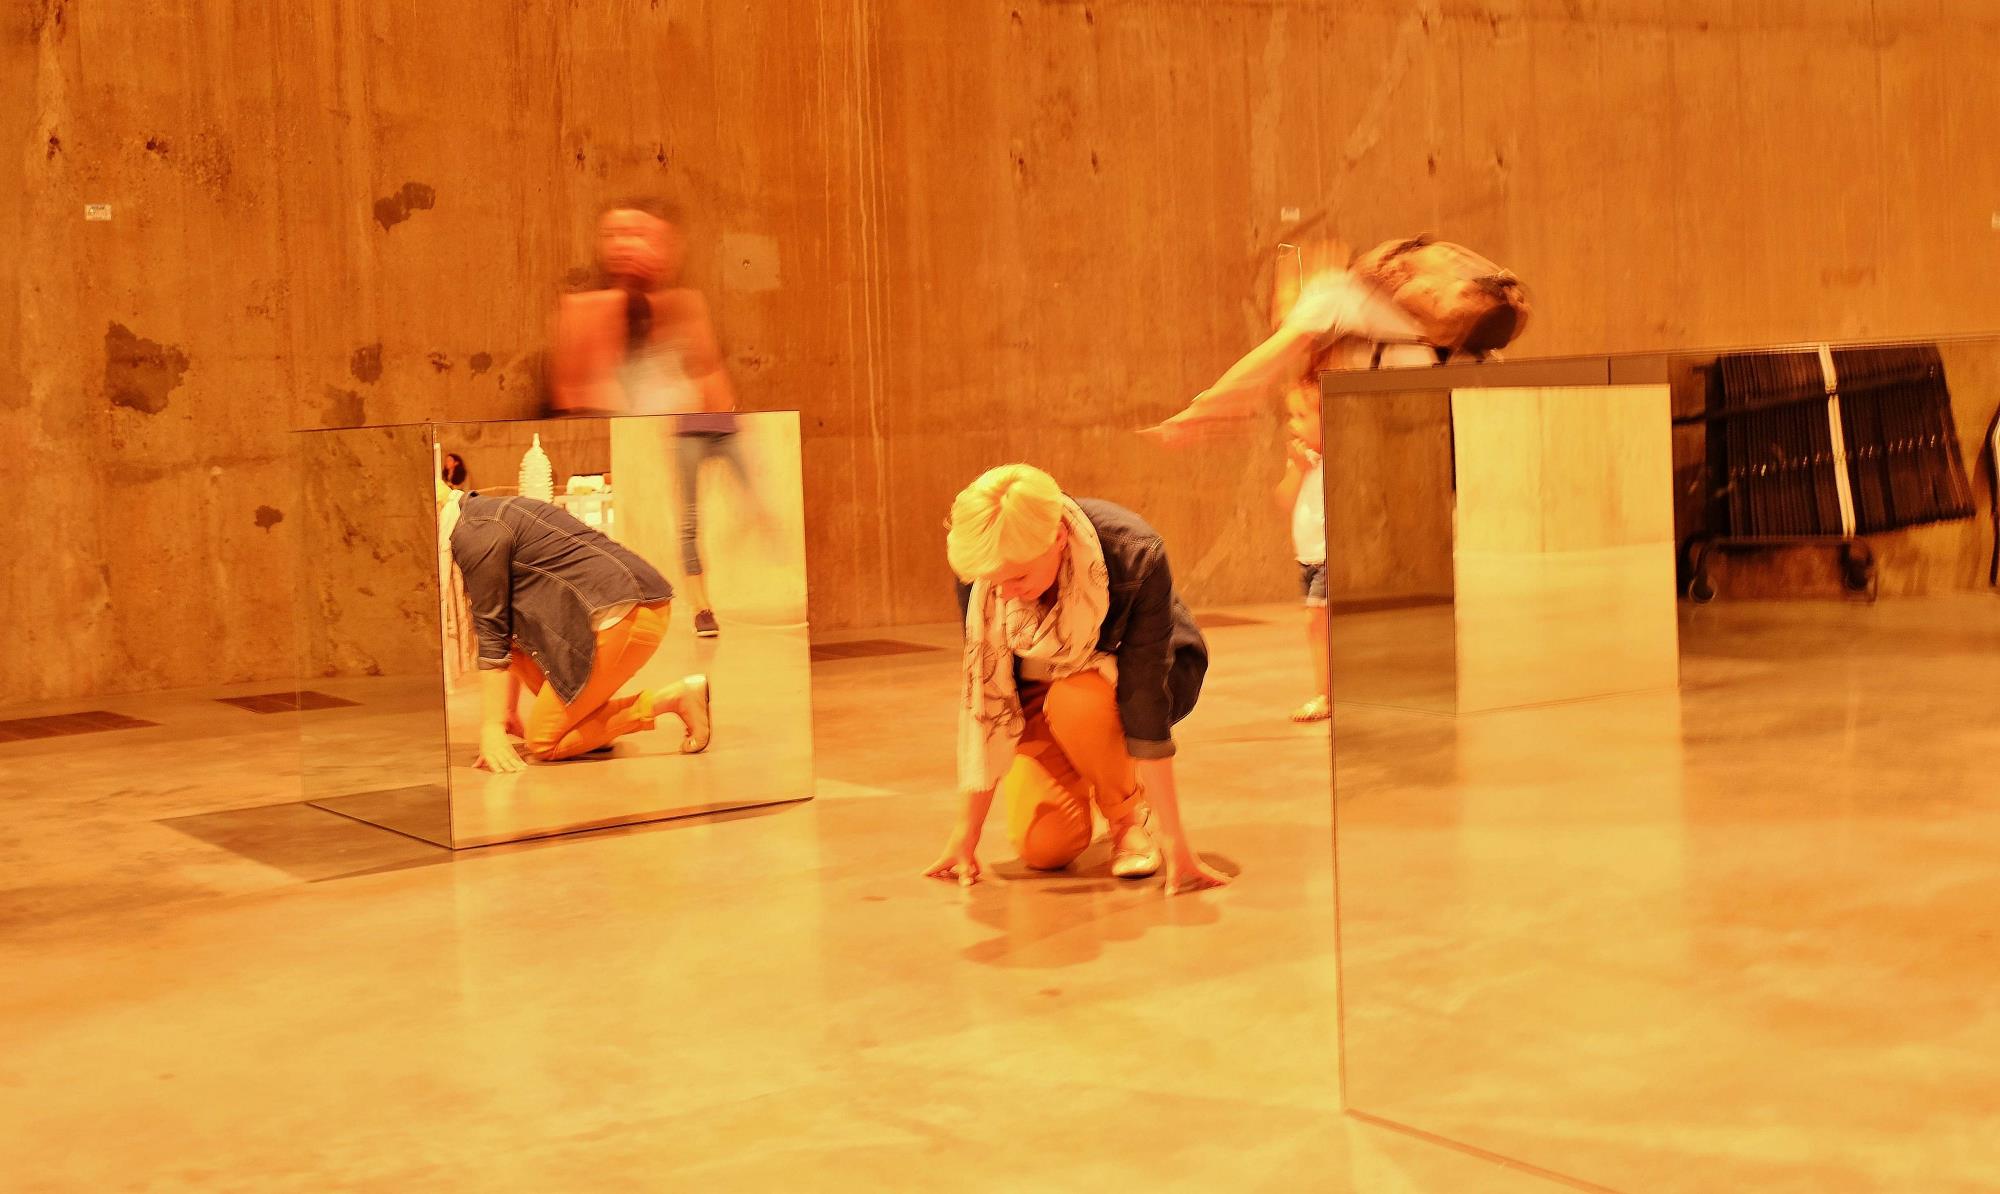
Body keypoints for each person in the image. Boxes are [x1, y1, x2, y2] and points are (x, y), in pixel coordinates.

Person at [925, 464, 1231, 895]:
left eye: (1018, 578)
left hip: (1131, 682)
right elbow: (989, 697)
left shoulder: (1134, 553)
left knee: (1077, 701)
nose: (1003, 591)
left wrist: (1176, 840)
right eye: (994, 581)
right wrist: (965, 835)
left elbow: (1144, 696)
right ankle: (1091, 763)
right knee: (1044, 849)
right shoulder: (986, 570)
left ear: (1059, 539)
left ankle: (1126, 818)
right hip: (1037, 691)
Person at [550, 197, 754, 638]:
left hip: (682, 438)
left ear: (667, 247)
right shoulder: (584, 312)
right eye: (614, 235)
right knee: (678, 528)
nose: (625, 246)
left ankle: (699, 607)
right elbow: (572, 398)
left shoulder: (686, 310)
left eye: (639, 235)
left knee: (705, 520)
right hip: (623, 458)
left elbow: (716, 388)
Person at [445, 492, 712, 773]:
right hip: (623, 607)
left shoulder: (474, 534)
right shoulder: (482, 513)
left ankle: (673, 700)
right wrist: (508, 712)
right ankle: (594, 731)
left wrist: (492, 727)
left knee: (544, 742)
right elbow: (509, 633)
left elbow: (492, 631)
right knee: (560, 712)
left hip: (627, 614)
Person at [1274, 386, 1330, 722]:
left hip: (1327, 556)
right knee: (1316, 626)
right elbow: (1284, 499)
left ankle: (1325, 694)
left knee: (1317, 621)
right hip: (1307, 557)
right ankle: (1327, 691)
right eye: (1291, 415)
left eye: (1302, 416)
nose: (1293, 423)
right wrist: (1297, 467)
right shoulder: (1303, 460)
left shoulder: (1334, 456)